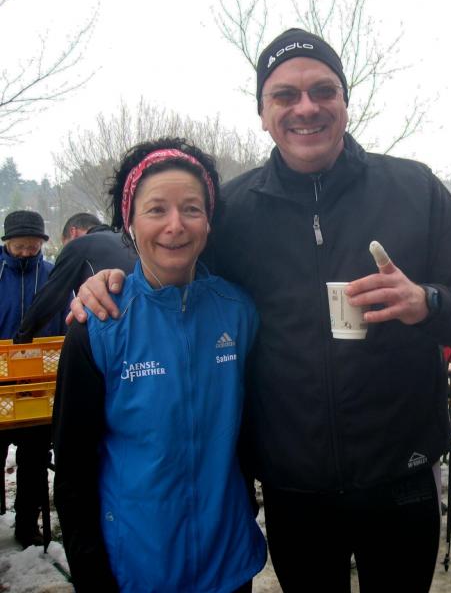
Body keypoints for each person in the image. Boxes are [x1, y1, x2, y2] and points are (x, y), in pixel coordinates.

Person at [70, 29, 451, 593]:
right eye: (284, 95)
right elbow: (174, 278)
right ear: (262, 113)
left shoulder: (413, 189)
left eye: (323, 90)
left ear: (345, 102)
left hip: (401, 478)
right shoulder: (234, 212)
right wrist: (110, 283)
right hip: (295, 495)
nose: (306, 107)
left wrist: (429, 303)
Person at [53, 138, 266, 592]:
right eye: (156, 210)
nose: (175, 225)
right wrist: (92, 575)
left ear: (208, 221)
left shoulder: (239, 314)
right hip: (134, 570)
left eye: (191, 209)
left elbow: (251, 436)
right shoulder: (98, 326)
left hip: (227, 565)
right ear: (129, 222)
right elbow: (73, 472)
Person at [0, 209, 65, 547]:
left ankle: (27, 525)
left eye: (33, 245)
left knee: (34, 462)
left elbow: (68, 320)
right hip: (1, 386)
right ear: (7, 243)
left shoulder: (53, 277)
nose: (27, 252)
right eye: (20, 246)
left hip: (40, 387)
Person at [14, 213, 137, 343]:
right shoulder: (129, 241)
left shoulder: (79, 245)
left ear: (73, 232)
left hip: (112, 332)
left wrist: (22, 338)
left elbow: (50, 297)